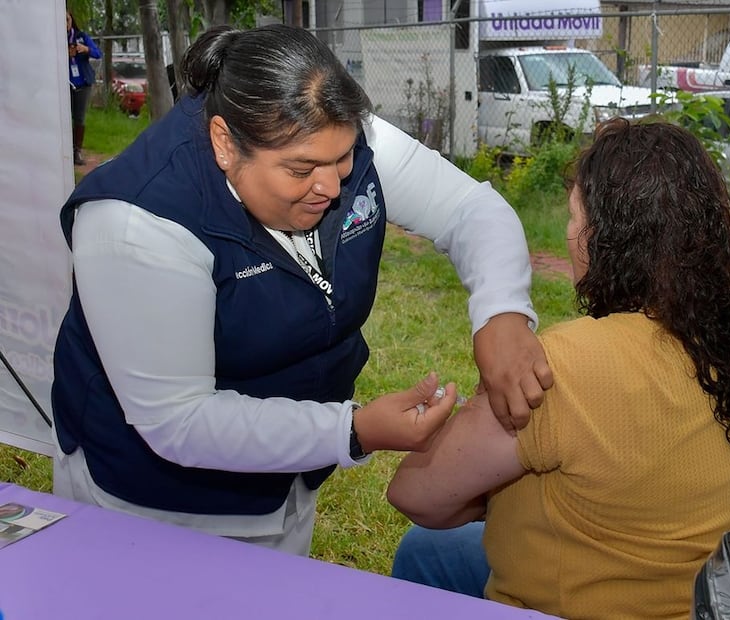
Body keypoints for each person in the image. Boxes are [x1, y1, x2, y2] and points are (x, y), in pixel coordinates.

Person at [50, 23, 551, 557]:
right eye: (302, 170)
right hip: (152, 505)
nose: (333, 187)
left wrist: (501, 313)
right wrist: (352, 431)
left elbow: (470, 208)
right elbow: (179, 419)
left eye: (343, 161)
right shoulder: (136, 222)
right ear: (224, 142)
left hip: (285, 478)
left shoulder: (327, 135)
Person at [387, 118, 730, 619]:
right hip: (691, 598)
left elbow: (417, 495)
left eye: (573, 217)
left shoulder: (565, 365)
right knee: (431, 552)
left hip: (581, 605)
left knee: (421, 549)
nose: (568, 234)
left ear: (603, 239)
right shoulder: (723, 344)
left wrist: (488, 471)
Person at [66, 10, 102, 166]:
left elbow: (98, 53)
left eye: (66, 20)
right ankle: (65, 150)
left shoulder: (81, 36)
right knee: (65, 118)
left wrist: (85, 49)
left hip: (82, 83)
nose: (64, 24)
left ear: (71, 20)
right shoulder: (54, 38)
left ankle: (77, 151)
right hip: (65, 83)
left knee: (79, 117)